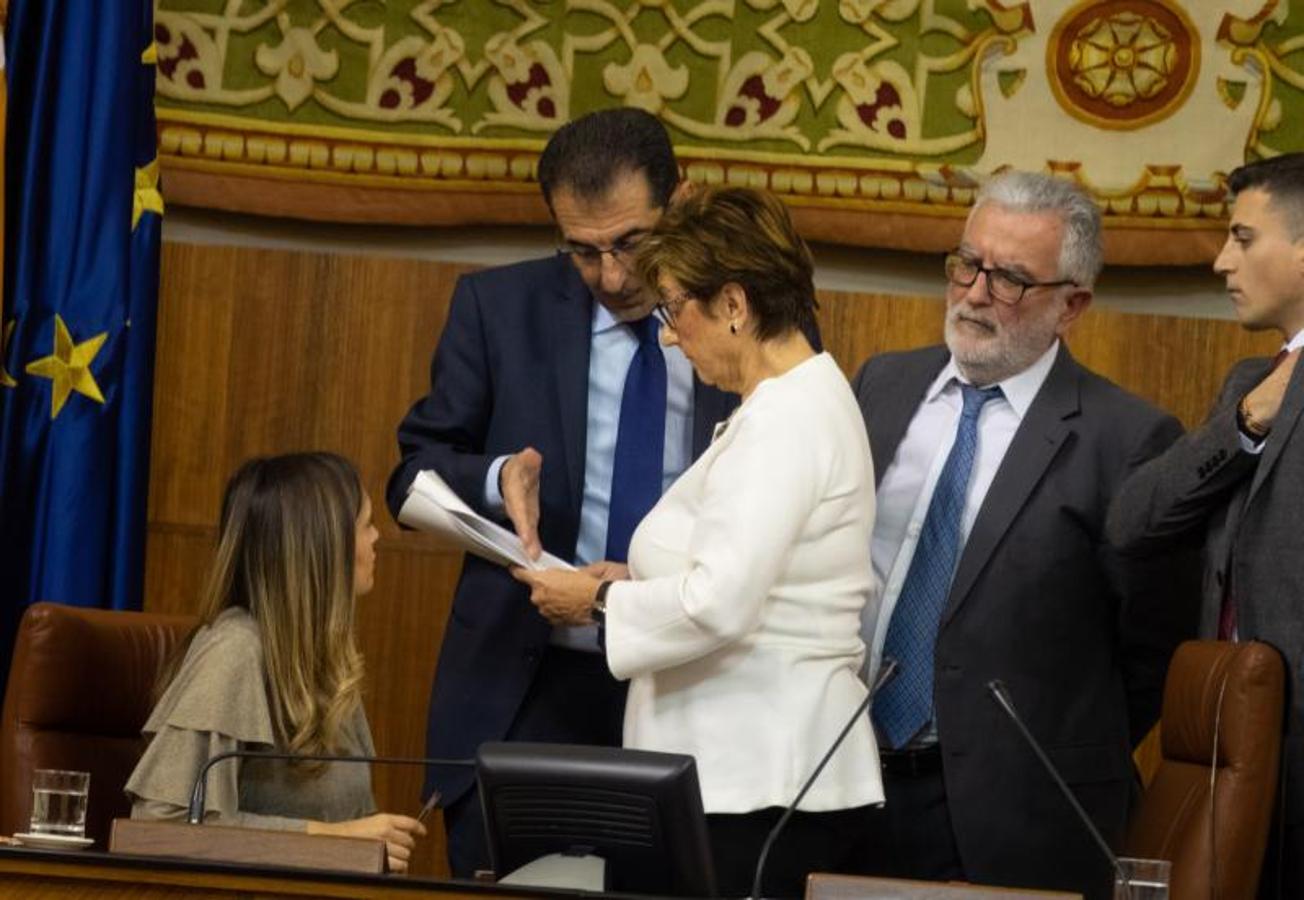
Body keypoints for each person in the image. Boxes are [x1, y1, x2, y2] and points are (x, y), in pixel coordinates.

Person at [385, 108, 737, 877]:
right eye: (582, 251)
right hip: (525, 687)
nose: (612, 277)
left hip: (681, 686)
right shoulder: (498, 308)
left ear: (681, 198)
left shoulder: (743, 315)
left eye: (630, 243)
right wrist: (494, 473)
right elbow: (410, 471)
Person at [513, 186, 881, 898]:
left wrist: (597, 602)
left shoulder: (786, 419)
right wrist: (633, 579)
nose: (669, 335)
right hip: (743, 776)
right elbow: (754, 570)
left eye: (675, 307)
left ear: (735, 305)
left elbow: (719, 604)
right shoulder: (785, 403)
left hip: (760, 782)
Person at [850, 171, 1197, 900]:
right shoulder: (881, 385)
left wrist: (1030, 742)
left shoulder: (1127, 440)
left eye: (1009, 279)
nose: (975, 294)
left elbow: (1150, 649)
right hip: (848, 777)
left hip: (1013, 812)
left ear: (1072, 305)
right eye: (967, 264)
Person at [1107, 152, 1304, 900]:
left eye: (1244, 239)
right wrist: (1251, 419)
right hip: (1235, 756)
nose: (1223, 261)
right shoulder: (1248, 387)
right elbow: (1134, 523)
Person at [126, 452, 426, 873]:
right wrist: (336, 841)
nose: (378, 538)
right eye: (366, 525)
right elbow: (162, 828)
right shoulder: (234, 650)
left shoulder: (329, 662)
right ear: (322, 546)